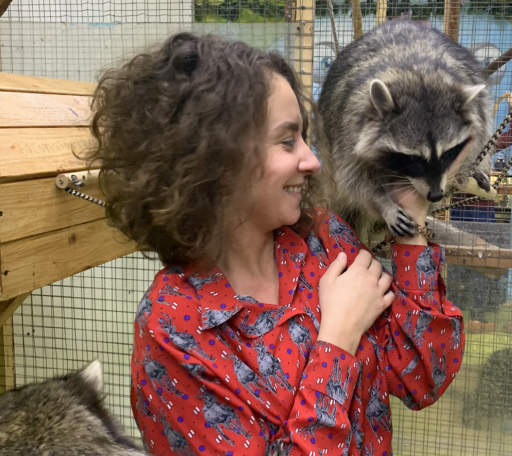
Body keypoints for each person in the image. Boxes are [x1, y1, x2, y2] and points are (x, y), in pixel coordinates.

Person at [86, 32, 465, 455]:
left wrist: (410, 221)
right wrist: (337, 339)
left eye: (304, 138)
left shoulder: (322, 241)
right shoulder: (173, 328)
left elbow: (423, 377)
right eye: (288, 141)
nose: (313, 161)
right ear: (217, 160)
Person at [447, 92, 512, 330]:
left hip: (472, 210)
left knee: (475, 257)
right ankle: (464, 309)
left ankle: (472, 310)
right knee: (466, 258)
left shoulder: (483, 142)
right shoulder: (460, 142)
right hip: (464, 209)